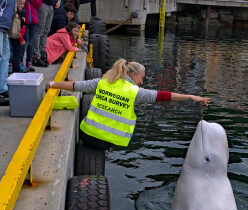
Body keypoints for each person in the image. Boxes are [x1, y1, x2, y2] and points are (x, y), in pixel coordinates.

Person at [45, 59, 210, 150]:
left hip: (86, 135)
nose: (142, 82)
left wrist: (52, 84)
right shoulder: (135, 92)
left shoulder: (103, 82)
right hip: (105, 142)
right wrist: (190, 96)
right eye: (141, 78)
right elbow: (163, 96)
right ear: (133, 74)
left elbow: (75, 86)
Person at [23, 0, 42, 71]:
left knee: (30, 42)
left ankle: (29, 61)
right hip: (25, 20)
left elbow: (38, 3)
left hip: (33, 20)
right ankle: (21, 62)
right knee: (25, 41)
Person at [9, 0, 26, 73]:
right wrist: (21, 39)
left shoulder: (20, 12)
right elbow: (18, 28)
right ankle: (16, 69)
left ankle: (16, 68)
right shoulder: (16, 14)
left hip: (17, 36)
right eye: (20, 3)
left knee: (17, 53)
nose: (22, 5)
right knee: (16, 53)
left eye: (23, 4)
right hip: (16, 36)